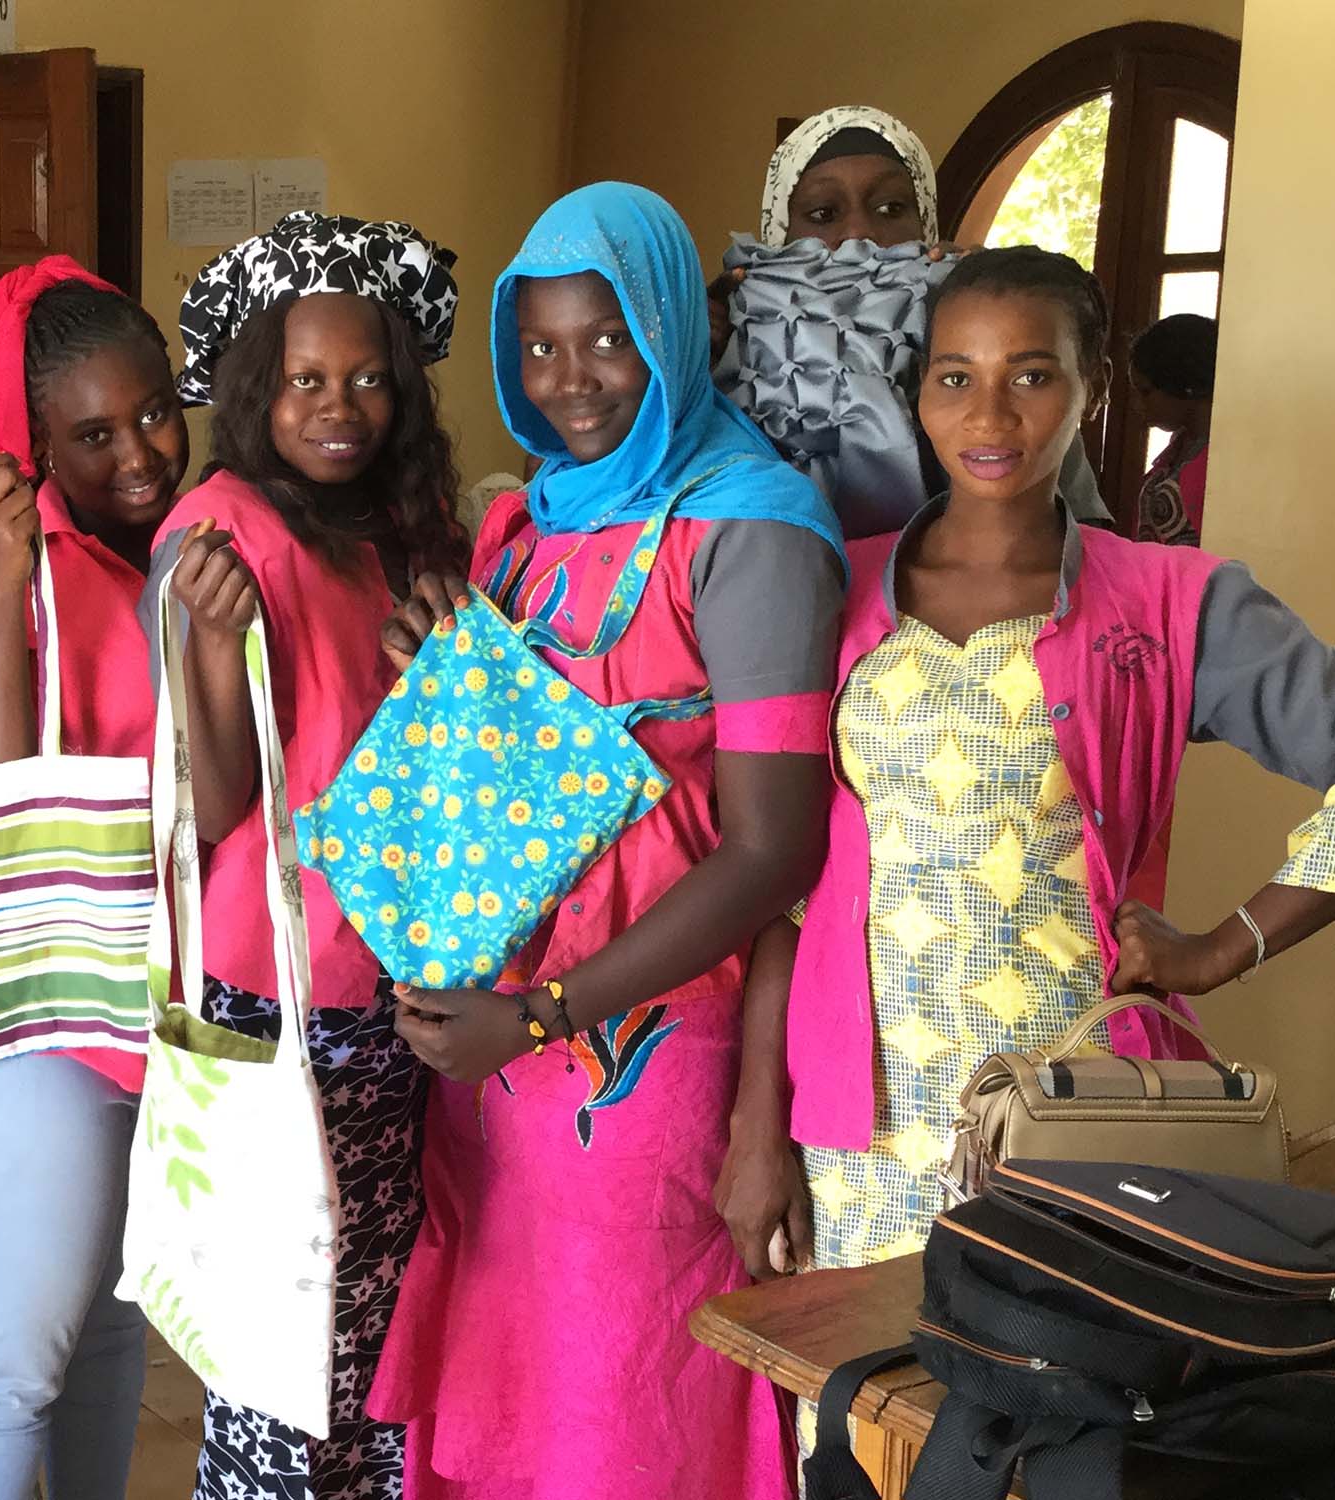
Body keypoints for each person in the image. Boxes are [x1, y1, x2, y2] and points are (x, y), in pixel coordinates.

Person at [716, 251, 1335, 1314]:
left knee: (1054, 1424)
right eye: (955, 375)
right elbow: (782, 885)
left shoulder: (1171, 604)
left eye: (1032, 374)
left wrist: (1221, 948)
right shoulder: (829, 583)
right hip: (861, 1127)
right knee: (864, 1433)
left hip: (1075, 1116)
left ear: (1094, 386)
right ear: (917, 393)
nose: (988, 412)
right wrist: (755, 1126)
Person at [366, 183, 845, 1500]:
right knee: (510, 1395)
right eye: (539, 346)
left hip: (640, 1053)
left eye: (607, 339)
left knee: (621, 1422)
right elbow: (528, 765)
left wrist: (539, 1016)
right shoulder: (530, 525)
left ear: (673, 333)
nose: (571, 379)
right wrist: (450, 677)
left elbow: (771, 856)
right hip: (495, 1058)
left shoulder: (749, 529)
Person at [144, 209, 467, 1500]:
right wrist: (204, 649)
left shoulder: (409, 525)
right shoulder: (220, 531)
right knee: (282, 1356)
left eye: (369, 378)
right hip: (284, 996)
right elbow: (213, 805)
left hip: (401, 981)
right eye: (306, 381)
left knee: (378, 1346)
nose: (341, 408)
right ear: (254, 390)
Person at [0, 256, 189, 1499]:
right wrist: (11, 573)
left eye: (154, 412)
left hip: (144, 1000)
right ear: (34, 445)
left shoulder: (180, 546)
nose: (137, 452)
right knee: (6, 1371)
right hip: (26, 1014)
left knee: (112, 1326)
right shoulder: (7, 565)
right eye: (90, 434)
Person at [714, 106, 1113, 533]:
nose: (858, 235)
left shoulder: (967, 331)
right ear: (781, 231)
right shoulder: (729, 336)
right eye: (823, 215)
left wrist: (978, 303)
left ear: (924, 221)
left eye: (890, 208)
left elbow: (1078, 528)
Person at [1129, 312, 1217, 545]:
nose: (1138, 405)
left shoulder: (1223, 462)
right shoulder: (1177, 451)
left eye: (1146, 391)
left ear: (1182, 382)